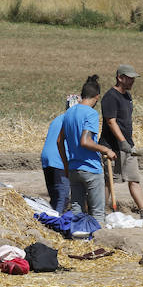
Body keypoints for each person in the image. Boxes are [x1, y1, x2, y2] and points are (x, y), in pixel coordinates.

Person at [99, 64, 143, 223]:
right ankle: (98, 212)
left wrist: (128, 143)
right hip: (112, 147)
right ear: (119, 78)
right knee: (109, 181)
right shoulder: (110, 97)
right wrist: (121, 142)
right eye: (129, 78)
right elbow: (111, 122)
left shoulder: (127, 96)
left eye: (133, 78)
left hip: (128, 145)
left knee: (134, 179)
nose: (132, 81)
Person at [57, 75, 116, 227]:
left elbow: (59, 141)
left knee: (77, 212)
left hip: (74, 169)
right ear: (97, 97)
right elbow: (85, 141)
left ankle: (78, 240)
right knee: (97, 214)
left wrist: (65, 165)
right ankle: (98, 243)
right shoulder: (91, 113)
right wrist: (105, 149)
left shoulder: (69, 112)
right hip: (90, 168)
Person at [40, 94, 81, 214]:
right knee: (62, 198)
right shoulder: (73, 120)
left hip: (47, 159)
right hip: (59, 160)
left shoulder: (58, 119)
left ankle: (50, 220)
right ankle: (56, 224)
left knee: (54, 196)